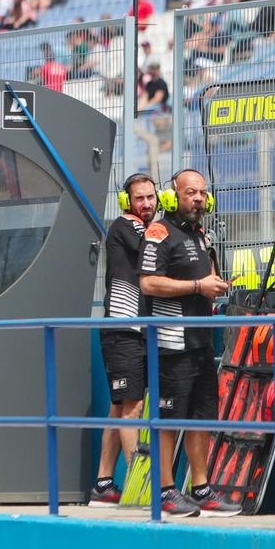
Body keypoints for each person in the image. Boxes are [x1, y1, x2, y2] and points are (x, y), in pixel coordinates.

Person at [137, 169, 239, 517]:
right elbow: (149, 284)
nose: (198, 199)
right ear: (173, 196)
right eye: (191, 192)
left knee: (200, 417)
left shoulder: (199, 234)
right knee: (168, 419)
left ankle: (201, 488)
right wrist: (198, 288)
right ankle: (165, 490)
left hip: (200, 342)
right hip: (170, 343)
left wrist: (215, 285)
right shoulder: (159, 232)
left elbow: (200, 279)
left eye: (203, 193)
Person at [89, 173, 158, 507]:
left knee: (118, 408)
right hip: (123, 330)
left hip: (137, 330)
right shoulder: (127, 225)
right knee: (133, 407)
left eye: (150, 197)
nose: (146, 204)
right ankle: (139, 484)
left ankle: (103, 484)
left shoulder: (148, 227)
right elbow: (155, 249)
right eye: (139, 198)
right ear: (127, 202)